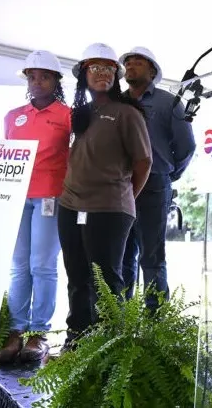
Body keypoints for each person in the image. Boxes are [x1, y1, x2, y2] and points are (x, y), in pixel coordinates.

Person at [58, 43, 152, 350]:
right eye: (95, 68)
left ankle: (107, 349)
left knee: (107, 282)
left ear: (116, 76)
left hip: (109, 209)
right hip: (69, 205)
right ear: (83, 74)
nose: (103, 74)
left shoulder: (127, 113)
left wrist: (123, 198)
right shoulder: (80, 114)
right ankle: (77, 341)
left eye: (109, 68)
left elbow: (143, 162)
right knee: (77, 275)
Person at [0, 50, 71, 363]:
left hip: (51, 197)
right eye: (32, 76)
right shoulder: (13, 116)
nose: (37, 82)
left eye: (45, 77)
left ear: (56, 81)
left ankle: (39, 333)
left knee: (43, 265)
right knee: (19, 265)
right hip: (17, 197)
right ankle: (15, 331)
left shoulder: (68, 115)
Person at [119, 46, 196, 310]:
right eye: (128, 62)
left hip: (154, 185)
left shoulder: (169, 102)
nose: (131, 65)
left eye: (138, 62)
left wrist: (169, 174)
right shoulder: (117, 103)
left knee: (151, 257)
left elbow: (186, 146)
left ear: (152, 71)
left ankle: (155, 321)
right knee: (122, 256)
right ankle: (122, 317)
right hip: (120, 186)